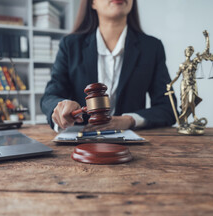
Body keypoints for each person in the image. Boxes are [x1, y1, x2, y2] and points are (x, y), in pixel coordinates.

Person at [41, 0, 177, 132]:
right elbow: (50, 96)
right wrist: (62, 106)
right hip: (82, 139)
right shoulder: (70, 45)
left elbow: (168, 108)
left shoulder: (152, 47)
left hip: (133, 143)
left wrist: (129, 120)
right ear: (92, 2)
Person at [167, 30, 213, 127]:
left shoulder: (194, 61)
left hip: (192, 84)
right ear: (185, 52)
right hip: (183, 84)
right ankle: (185, 120)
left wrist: (207, 38)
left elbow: (206, 51)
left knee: (191, 101)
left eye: (191, 51)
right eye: (188, 50)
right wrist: (170, 84)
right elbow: (177, 76)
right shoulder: (182, 65)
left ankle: (193, 116)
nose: (189, 52)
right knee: (184, 103)